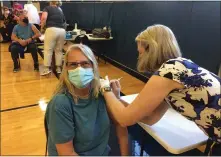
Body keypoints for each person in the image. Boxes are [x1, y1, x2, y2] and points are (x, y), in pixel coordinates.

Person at [100, 24, 221, 156]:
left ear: (151, 49)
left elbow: (124, 119)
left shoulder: (169, 70)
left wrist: (105, 88)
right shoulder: (180, 65)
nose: (139, 57)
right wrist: (117, 99)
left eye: (140, 53)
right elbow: (151, 118)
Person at [45, 44, 129, 156]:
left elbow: (121, 123)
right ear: (66, 69)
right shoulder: (60, 103)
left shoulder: (102, 92)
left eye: (85, 63)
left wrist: (115, 98)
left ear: (93, 66)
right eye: (73, 65)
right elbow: (67, 153)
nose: (79, 69)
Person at [40, 0, 66, 75]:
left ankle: (46, 69)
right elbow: (64, 22)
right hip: (62, 31)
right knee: (59, 50)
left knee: (48, 49)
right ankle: (58, 68)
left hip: (51, 29)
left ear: (50, 2)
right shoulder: (60, 10)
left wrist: (42, 28)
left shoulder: (47, 8)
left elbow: (44, 18)